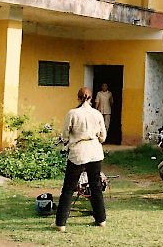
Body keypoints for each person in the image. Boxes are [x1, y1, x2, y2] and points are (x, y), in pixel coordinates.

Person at [52, 87, 107, 232]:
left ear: (78, 98)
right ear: (90, 99)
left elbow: (64, 135)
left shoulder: (72, 113)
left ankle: (60, 223)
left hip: (78, 153)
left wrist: (68, 140)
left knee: (68, 189)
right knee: (95, 187)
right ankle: (101, 220)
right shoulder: (97, 114)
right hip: (95, 153)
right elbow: (103, 137)